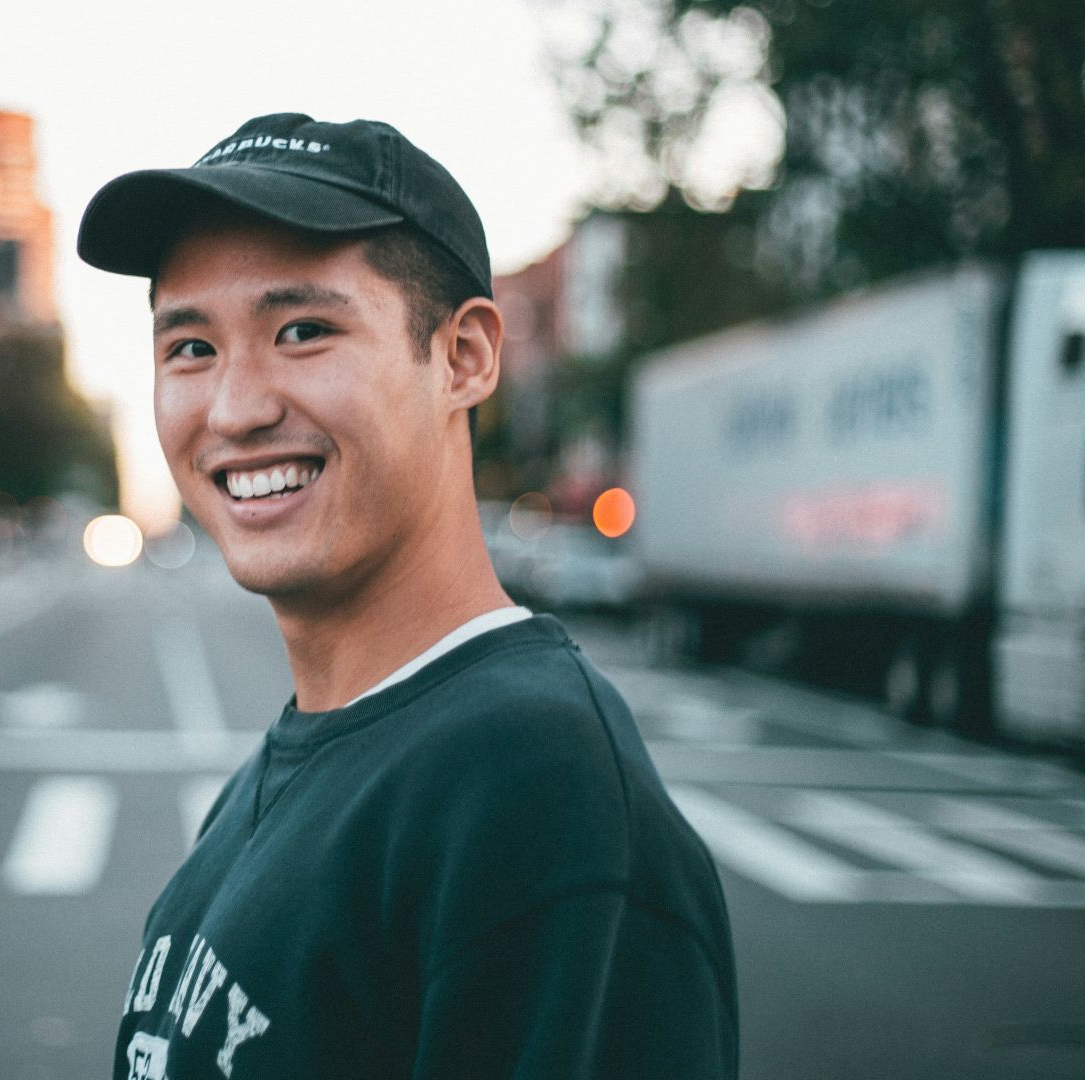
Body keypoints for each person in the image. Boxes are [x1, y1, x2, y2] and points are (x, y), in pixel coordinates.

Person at [77, 113, 738, 1080]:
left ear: (464, 358)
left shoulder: (535, 793)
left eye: (303, 331)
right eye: (189, 348)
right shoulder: (295, 763)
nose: (234, 407)